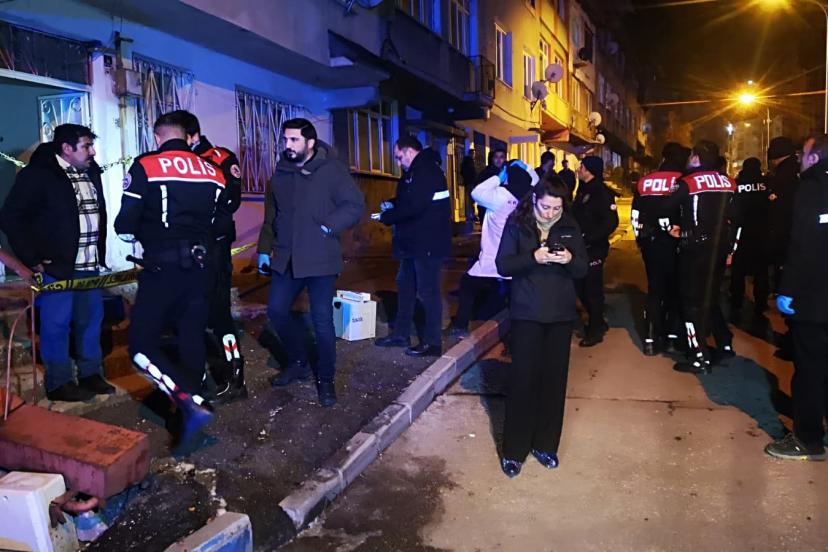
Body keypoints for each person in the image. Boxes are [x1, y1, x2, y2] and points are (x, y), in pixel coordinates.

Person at [115, 113, 228, 445]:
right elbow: (222, 223)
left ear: (157, 136)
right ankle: (191, 417)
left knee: (141, 346)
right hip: (202, 267)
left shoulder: (147, 165)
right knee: (191, 337)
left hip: (162, 269)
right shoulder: (213, 171)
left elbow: (124, 226)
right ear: (188, 136)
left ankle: (188, 405)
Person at [0, 124, 114, 402]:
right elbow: (11, 217)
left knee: (90, 321)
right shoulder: (38, 175)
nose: (92, 152)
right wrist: (32, 258)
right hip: (57, 267)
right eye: (86, 146)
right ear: (66, 148)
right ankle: (59, 382)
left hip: (89, 264)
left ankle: (90, 374)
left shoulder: (91, 172)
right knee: (56, 324)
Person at [256, 118, 364, 407]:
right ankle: (299, 362)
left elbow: (354, 205)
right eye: (285, 140)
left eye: (294, 140)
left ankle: (326, 379)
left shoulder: (331, 170)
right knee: (276, 311)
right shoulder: (281, 172)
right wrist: (264, 249)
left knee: (322, 321)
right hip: (287, 258)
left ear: (310, 143)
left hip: (320, 259)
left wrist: (328, 226)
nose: (287, 145)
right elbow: (271, 216)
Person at [494, 177, 588, 477]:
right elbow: (503, 265)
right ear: (534, 200)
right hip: (527, 313)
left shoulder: (570, 226)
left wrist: (569, 258)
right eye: (545, 207)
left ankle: (546, 445)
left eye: (556, 208)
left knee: (553, 382)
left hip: (560, 315)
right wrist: (533, 257)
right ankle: (514, 450)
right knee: (523, 382)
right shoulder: (517, 224)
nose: (550, 214)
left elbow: (582, 268)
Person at [170, 110, 247, 403]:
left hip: (213, 249)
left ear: (193, 136)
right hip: (183, 250)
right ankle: (197, 378)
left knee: (218, 315)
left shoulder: (220, 159)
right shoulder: (172, 162)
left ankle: (235, 378)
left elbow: (231, 201)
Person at [765, 135, 828, 461]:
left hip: (814, 299)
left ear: (814, 157)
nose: (800, 159)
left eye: (803, 154)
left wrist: (787, 289)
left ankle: (807, 439)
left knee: (810, 370)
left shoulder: (811, 189)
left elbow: (802, 245)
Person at [374, 135, 452, 357]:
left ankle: (432, 343)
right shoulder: (415, 172)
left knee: (428, 292)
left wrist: (388, 216)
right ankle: (401, 334)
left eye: (399, 157)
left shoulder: (426, 170)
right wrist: (393, 204)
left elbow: (416, 206)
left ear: (409, 151)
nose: (398, 162)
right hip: (413, 243)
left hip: (427, 243)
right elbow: (409, 199)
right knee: (406, 288)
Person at [665, 140, 738, 374]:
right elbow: (736, 220)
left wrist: (671, 228)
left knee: (690, 304)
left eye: (691, 156)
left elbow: (665, 207)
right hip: (719, 250)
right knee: (710, 297)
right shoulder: (728, 182)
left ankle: (698, 356)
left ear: (696, 158)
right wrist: (731, 250)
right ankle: (724, 343)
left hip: (694, 250)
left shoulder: (688, 182)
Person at [448, 160, 538, 336]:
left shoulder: (500, 196)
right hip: (515, 257)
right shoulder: (529, 197)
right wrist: (525, 167)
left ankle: (460, 325)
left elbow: (476, 192)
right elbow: (535, 180)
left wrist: (498, 177)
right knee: (515, 294)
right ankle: (522, 331)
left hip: (493, 256)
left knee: (467, 285)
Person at [631, 142, 688, 356]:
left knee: (655, 289)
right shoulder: (684, 180)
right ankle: (671, 338)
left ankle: (650, 339)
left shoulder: (645, 181)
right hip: (676, 242)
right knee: (674, 289)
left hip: (651, 242)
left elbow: (635, 214)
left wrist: (639, 239)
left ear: (663, 158)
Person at [571, 156, 619, 347]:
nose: (578, 169)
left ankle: (595, 330)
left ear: (589, 170)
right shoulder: (583, 189)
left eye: (581, 166)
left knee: (592, 290)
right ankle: (597, 320)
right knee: (580, 287)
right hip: (580, 248)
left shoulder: (601, 192)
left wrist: (588, 238)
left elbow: (611, 222)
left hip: (594, 249)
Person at [729, 157, 771, 322]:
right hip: (761, 233)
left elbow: (733, 208)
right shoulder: (766, 183)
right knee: (761, 271)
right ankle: (760, 303)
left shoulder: (738, 184)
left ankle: (736, 300)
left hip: (741, 233)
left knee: (738, 269)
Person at [767, 136, 800, 290]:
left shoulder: (782, 175)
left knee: (784, 264)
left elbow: (778, 208)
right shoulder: (800, 169)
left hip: (785, 230)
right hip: (801, 229)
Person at [475, 148, 508, 221]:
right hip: (487, 208)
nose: (498, 160)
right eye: (496, 157)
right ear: (492, 159)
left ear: (505, 159)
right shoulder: (486, 173)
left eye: (501, 157)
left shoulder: (508, 172)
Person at [460, 149, 478, 225]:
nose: (474, 155)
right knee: (471, 200)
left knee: (470, 199)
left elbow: (462, 172)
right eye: (473, 154)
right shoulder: (470, 162)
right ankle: (471, 215)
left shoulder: (465, 162)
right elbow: (472, 173)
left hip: (468, 182)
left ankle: (470, 215)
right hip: (470, 183)